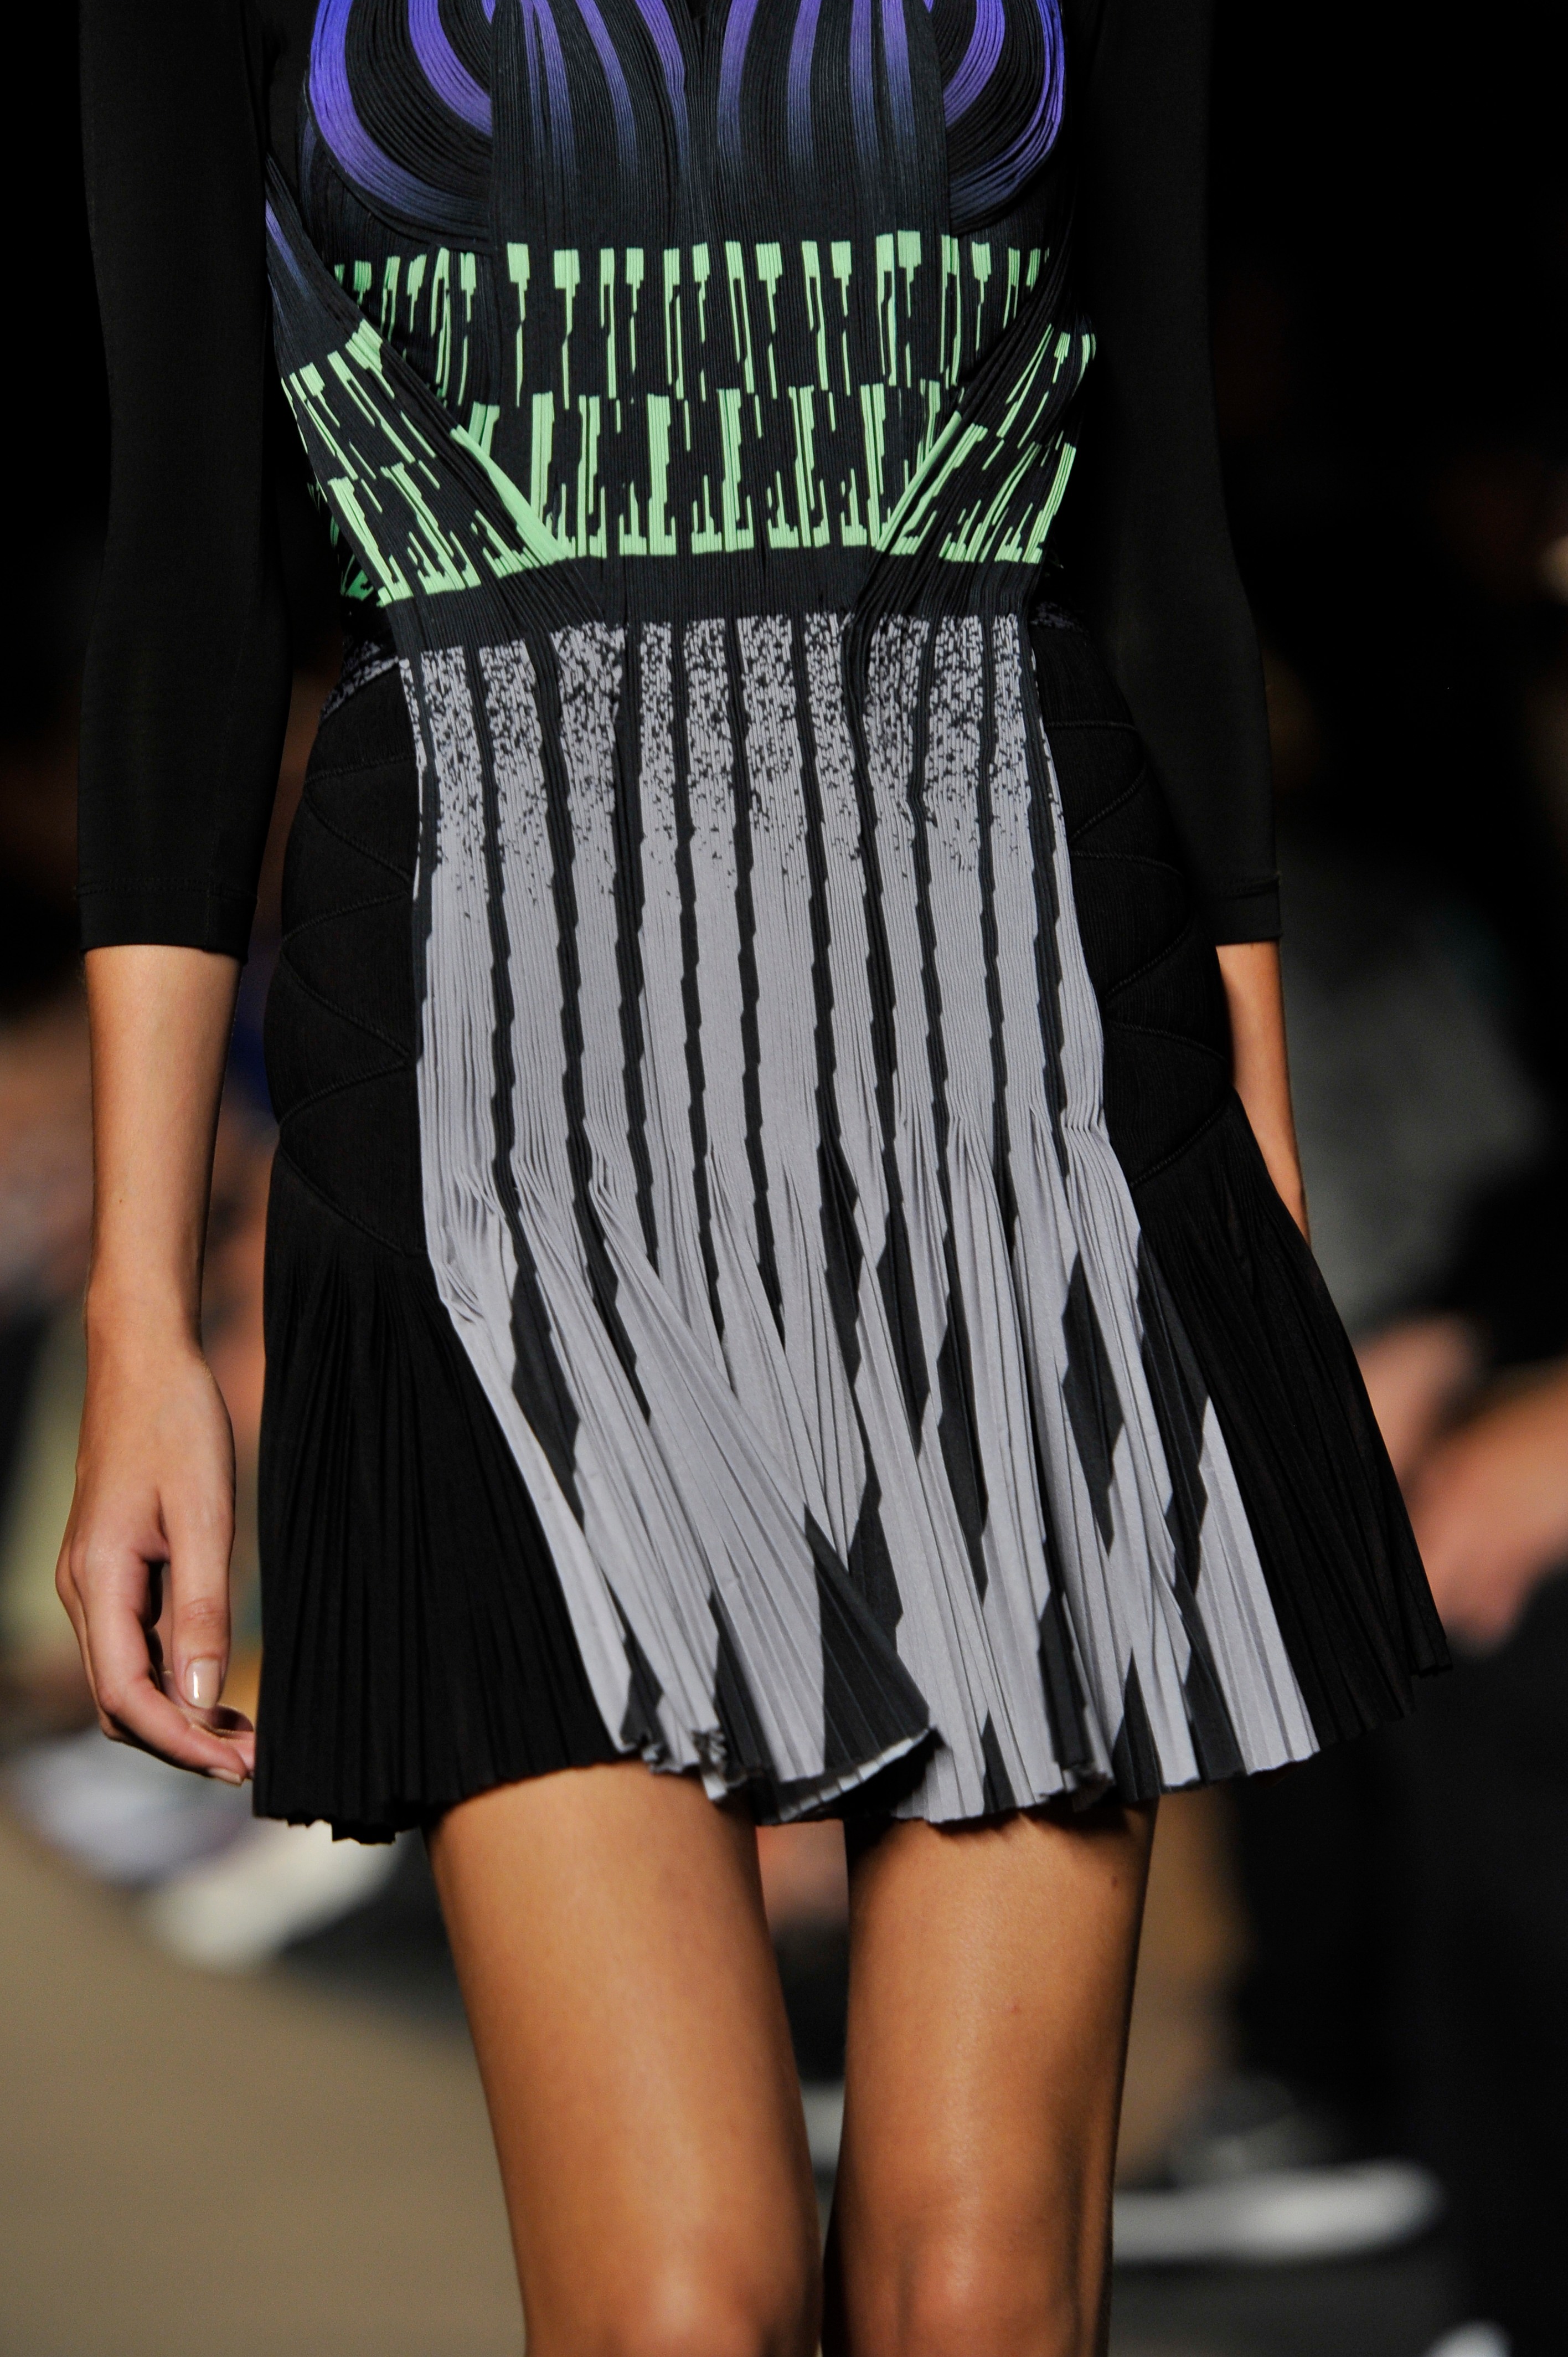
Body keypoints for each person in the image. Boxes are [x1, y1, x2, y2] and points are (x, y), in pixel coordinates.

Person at [62, 0, 1442, 2348]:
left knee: (981, 2292)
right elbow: (190, 585)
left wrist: (1262, 1209)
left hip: (1022, 1083)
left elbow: (1162, 536)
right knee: (678, 2309)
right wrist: (139, 1322)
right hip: (489, 1128)